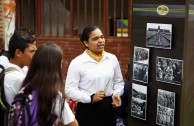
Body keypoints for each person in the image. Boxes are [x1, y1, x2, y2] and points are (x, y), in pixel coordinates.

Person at [65, 25, 124, 126]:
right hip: (87, 110)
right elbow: (70, 90)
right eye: (95, 39)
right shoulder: (77, 62)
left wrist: (116, 94)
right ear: (86, 42)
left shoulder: (112, 58)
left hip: (108, 110)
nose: (101, 41)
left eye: (102, 37)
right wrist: (90, 98)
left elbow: (119, 82)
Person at [10, 42, 78, 125]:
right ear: (54, 66)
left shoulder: (26, 87)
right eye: (60, 62)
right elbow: (73, 123)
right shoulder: (54, 95)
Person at [4, 27, 37, 106]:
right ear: (18, 53)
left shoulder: (7, 69)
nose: (36, 55)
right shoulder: (18, 78)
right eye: (32, 51)